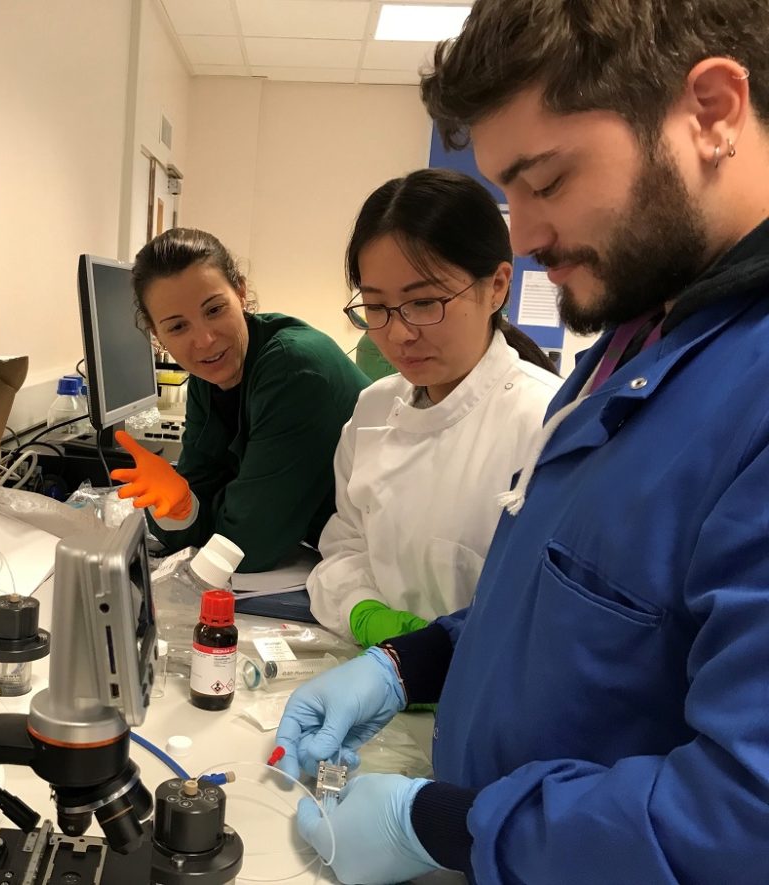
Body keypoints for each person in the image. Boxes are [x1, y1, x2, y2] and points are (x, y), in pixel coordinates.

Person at [274, 1, 769, 882]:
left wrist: (448, 824)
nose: (527, 238)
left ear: (714, 111)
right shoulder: (634, 348)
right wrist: (408, 659)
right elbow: (557, 609)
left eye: (545, 180)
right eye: (509, 194)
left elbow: (742, 817)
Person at [308, 169, 561, 648]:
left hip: (480, 704)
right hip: (371, 677)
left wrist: (438, 657)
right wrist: (363, 612)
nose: (399, 334)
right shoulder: (374, 411)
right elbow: (344, 546)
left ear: (497, 286)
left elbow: (549, 615)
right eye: (377, 307)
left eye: (424, 302)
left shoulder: (545, 423)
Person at [112, 228, 369, 573]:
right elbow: (200, 510)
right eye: (177, 327)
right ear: (157, 336)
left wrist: (204, 508)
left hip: (388, 563)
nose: (204, 340)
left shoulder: (295, 370)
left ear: (241, 293)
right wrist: (181, 509)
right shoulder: (211, 378)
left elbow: (245, 546)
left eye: (215, 310)